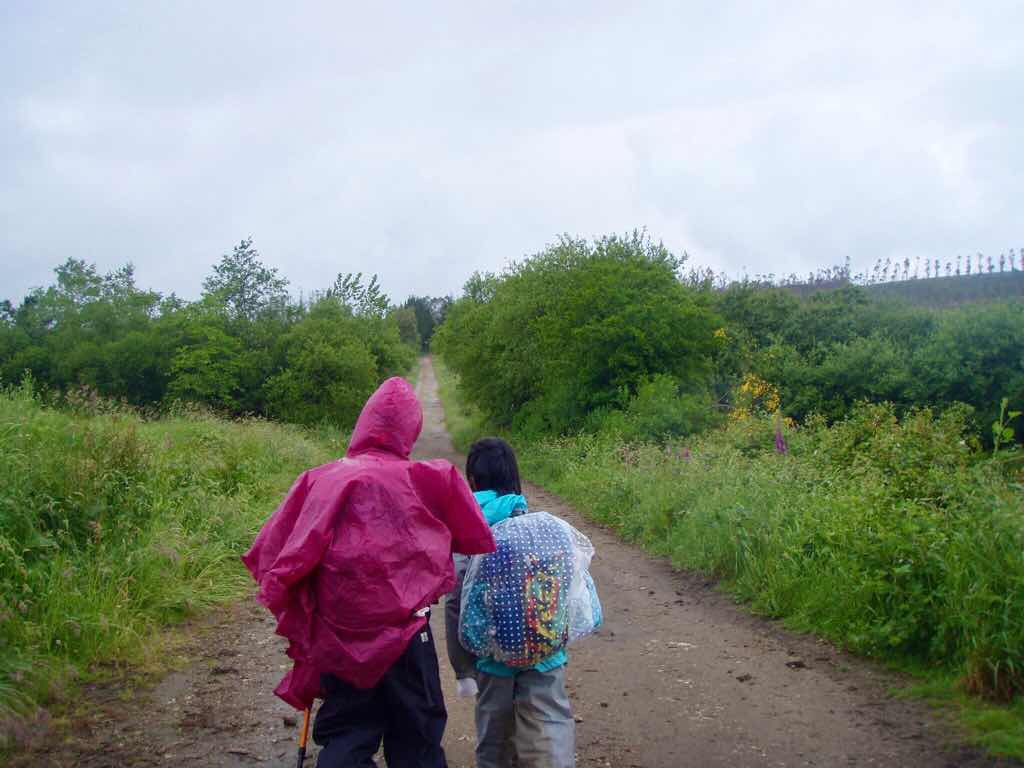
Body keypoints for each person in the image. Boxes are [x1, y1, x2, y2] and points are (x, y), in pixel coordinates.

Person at [243, 377, 495, 768]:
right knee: (418, 737)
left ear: (364, 422)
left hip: (340, 637)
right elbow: (476, 536)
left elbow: (276, 556)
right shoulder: (433, 479)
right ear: (409, 430)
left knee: (347, 733)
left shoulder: (319, 479)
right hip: (409, 634)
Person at [446, 437, 577, 768]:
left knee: (496, 738)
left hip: (493, 663)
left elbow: (455, 604)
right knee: (551, 727)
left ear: (473, 481)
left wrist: (463, 669)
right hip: (545, 655)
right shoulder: (535, 523)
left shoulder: (473, 529)